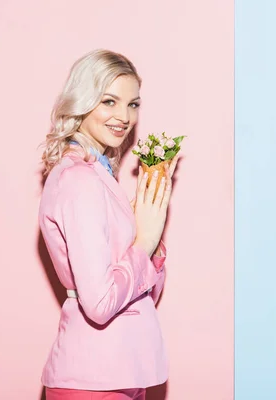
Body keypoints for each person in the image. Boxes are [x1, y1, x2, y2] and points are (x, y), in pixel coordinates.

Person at [39, 49, 177, 400]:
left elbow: (143, 295)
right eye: (109, 101)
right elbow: (99, 305)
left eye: (133, 104)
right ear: (82, 102)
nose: (124, 116)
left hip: (122, 372)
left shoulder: (99, 176)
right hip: (93, 378)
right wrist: (142, 243)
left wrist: (152, 243)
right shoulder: (78, 180)